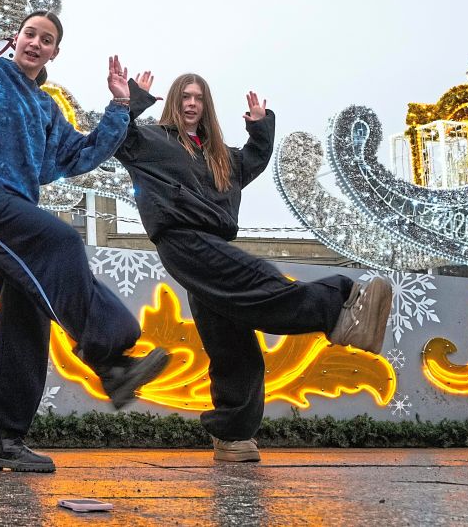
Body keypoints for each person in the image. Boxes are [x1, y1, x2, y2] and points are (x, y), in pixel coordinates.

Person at [0, 0, 170, 473]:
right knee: (61, 240)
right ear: (15, 39)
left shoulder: (45, 108)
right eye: (30, 34)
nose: (36, 43)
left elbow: (79, 155)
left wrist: (122, 105)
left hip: (12, 208)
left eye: (46, 40)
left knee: (27, 312)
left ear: (54, 54)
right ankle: (108, 356)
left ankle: (3, 438)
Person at [116, 72, 393, 463]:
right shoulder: (153, 140)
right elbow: (118, 139)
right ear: (173, 101)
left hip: (215, 246)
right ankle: (339, 306)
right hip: (183, 239)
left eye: (198, 98)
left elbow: (255, 159)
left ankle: (232, 435)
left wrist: (260, 127)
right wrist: (131, 100)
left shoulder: (222, 156)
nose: (191, 104)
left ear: (207, 106)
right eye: (185, 97)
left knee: (233, 346)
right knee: (262, 283)